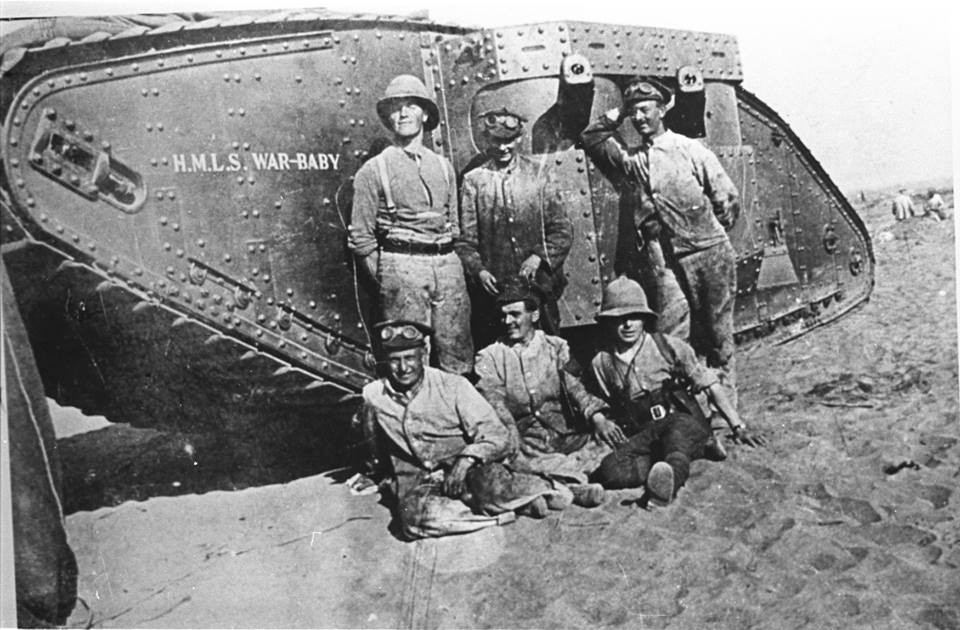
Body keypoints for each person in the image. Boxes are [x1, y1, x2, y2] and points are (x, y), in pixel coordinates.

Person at [579, 77, 741, 413]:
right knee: (672, 335)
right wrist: (619, 112)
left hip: (708, 253)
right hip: (666, 262)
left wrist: (702, 236)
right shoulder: (634, 159)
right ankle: (687, 412)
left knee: (718, 337)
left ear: (662, 110)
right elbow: (593, 137)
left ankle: (725, 414)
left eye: (645, 109)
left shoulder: (690, 149)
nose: (639, 118)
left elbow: (727, 200)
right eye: (634, 112)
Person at [355, 319, 570, 539]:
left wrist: (465, 461)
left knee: (493, 486)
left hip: (471, 471)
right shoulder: (373, 395)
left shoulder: (453, 385)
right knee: (412, 519)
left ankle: (550, 488)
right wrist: (380, 475)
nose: (403, 368)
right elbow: (373, 441)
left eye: (409, 358)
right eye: (394, 360)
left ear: (423, 354)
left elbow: (497, 435)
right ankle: (500, 512)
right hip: (424, 482)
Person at [588, 278, 764, 504]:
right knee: (610, 470)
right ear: (608, 322)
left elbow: (710, 384)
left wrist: (738, 427)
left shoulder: (668, 346)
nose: (628, 325)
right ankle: (692, 454)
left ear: (644, 318)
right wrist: (599, 419)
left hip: (681, 421)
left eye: (634, 316)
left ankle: (665, 488)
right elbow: (598, 401)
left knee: (676, 433)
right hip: (646, 433)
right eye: (619, 319)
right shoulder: (602, 363)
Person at [348, 74, 473, 374]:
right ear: (388, 117)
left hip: (448, 265)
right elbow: (361, 239)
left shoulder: (443, 167)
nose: (403, 113)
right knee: (409, 357)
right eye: (396, 107)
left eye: (412, 106)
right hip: (402, 265)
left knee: (458, 354)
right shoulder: (373, 170)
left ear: (425, 114)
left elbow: (454, 225)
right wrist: (389, 277)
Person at [474, 279, 608, 510]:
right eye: (503, 316)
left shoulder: (556, 347)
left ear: (534, 315)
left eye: (515, 314)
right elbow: (493, 400)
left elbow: (574, 387)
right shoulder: (489, 357)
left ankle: (558, 484)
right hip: (526, 441)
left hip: (564, 433)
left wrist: (597, 417)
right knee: (513, 461)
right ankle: (571, 486)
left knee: (607, 442)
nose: (507, 322)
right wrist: (510, 430)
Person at [458, 107, 573, 348]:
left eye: (509, 141)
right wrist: (479, 271)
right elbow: (465, 242)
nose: (503, 148)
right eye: (496, 141)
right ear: (486, 140)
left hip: (538, 287)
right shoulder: (474, 181)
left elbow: (561, 230)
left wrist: (538, 257)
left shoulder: (539, 174)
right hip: (496, 291)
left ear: (519, 138)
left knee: (547, 347)